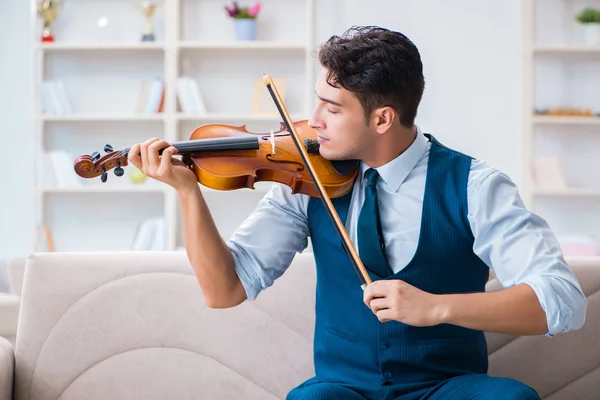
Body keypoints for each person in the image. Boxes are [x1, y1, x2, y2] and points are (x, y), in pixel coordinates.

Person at [128, 25, 586, 400]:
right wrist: (189, 194)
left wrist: (434, 307)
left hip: (448, 387)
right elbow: (224, 289)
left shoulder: (475, 186)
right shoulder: (303, 177)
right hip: (344, 389)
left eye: (332, 108)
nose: (313, 121)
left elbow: (561, 301)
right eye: (316, 102)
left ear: (382, 118)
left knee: (512, 399)